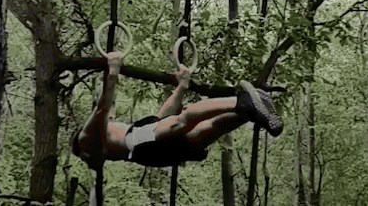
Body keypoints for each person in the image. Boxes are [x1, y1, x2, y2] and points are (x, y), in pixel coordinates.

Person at [72, 51, 283, 168]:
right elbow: (103, 109)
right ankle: (247, 107)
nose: (86, 161)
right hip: (143, 149)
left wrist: (182, 86)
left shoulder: (86, 139)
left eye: (82, 157)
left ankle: (246, 107)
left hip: (141, 141)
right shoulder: (91, 140)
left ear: (79, 149)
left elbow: (159, 117)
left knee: (193, 125)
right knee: (201, 129)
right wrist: (113, 74)